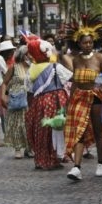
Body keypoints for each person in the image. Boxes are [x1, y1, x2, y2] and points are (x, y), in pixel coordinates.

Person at [61, 17, 102, 181]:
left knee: (98, 131)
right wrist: (69, 102)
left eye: (89, 42)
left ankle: (101, 163)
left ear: (93, 42)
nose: (87, 45)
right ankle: (76, 167)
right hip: (79, 98)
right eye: (84, 43)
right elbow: (75, 81)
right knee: (78, 132)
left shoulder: (100, 58)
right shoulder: (76, 60)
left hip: (96, 97)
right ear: (79, 44)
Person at [25, 38, 71, 171]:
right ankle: (54, 158)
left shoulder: (31, 69)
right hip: (56, 101)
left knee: (41, 131)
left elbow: (28, 90)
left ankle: (41, 159)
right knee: (55, 130)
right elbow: (70, 76)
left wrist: (30, 108)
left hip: (38, 102)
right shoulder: (55, 66)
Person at [1, 45, 31, 159]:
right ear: (23, 55)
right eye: (28, 54)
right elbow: (5, 82)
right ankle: (18, 148)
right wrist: (3, 96)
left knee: (28, 124)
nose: (30, 56)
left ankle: (29, 147)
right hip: (17, 99)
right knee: (17, 124)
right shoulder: (14, 67)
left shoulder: (32, 67)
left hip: (29, 98)